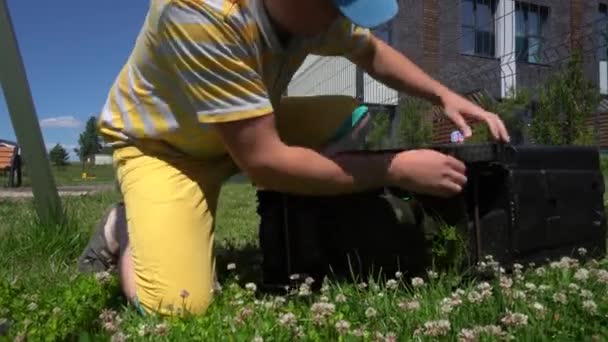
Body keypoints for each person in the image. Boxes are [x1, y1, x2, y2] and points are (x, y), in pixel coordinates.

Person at [78, 0, 510, 316]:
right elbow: (264, 162)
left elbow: (371, 53)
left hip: (239, 128)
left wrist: (443, 95)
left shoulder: (312, 13)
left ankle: (304, 225)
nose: (343, 20)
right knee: (176, 307)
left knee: (348, 116)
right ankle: (125, 226)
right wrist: (395, 168)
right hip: (166, 148)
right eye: (338, 6)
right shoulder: (199, 13)